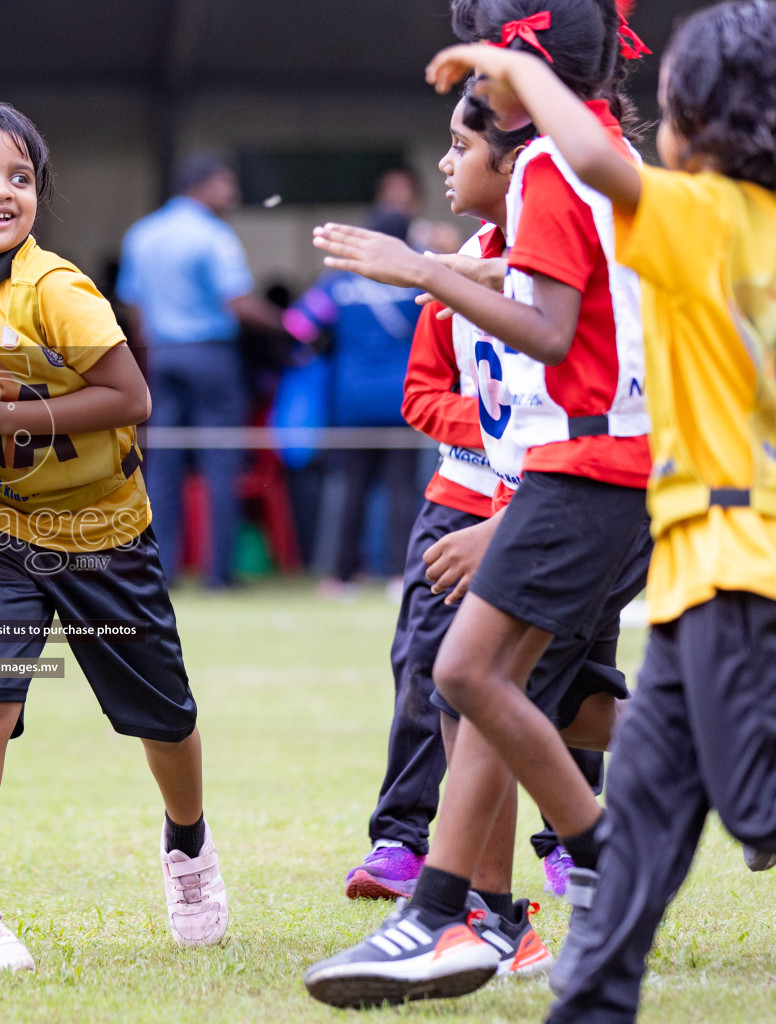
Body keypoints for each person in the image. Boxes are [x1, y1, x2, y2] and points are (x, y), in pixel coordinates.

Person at [423, 6, 776, 1020]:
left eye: (666, 106)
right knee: (651, 811)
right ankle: (594, 997)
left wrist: (512, 69)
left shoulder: (705, 213)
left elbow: (589, 154)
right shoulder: (727, 226)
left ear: (701, 124)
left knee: (753, 807)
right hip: (692, 564)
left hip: (739, 566)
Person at [304, 0, 653, 1005]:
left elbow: (549, 331)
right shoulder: (581, 165)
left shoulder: (548, 168)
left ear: (514, 76)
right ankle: (462, 914)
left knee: (469, 672)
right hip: (587, 472)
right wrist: (466, 266)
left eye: (479, 70)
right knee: (482, 680)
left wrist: (421, 267)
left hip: (583, 468)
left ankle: (591, 859)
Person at [0, 94, 227, 972]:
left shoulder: (55, 288)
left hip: (103, 528)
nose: (2, 191)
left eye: (20, 177)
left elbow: (130, 398)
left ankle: (187, 844)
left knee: (163, 719)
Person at [345, 87, 604, 909]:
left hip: (568, 497)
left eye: (459, 146)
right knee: (437, 672)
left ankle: (567, 846)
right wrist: (492, 429)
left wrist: (517, 443)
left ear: (521, 158)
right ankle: (408, 847)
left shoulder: (574, 256)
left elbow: (570, 379)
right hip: (464, 500)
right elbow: (423, 393)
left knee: (547, 681)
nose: (445, 164)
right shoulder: (458, 268)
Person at [117, 153, 279, 588]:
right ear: (202, 186)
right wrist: (287, 323)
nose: (233, 193)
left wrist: (148, 344)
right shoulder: (214, 235)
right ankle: (218, 574)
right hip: (211, 354)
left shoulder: (143, 233)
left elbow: (133, 304)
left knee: (163, 466)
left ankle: (162, 571)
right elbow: (238, 301)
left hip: (163, 354)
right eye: (227, 184)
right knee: (221, 461)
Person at [283, 212, 423, 594]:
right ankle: (400, 575)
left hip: (352, 401)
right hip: (404, 398)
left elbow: (298, 323)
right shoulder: (418, 274)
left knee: (350, 489)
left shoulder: (342, 280)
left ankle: (341, 577)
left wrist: (324, 347)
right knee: (402, 490)